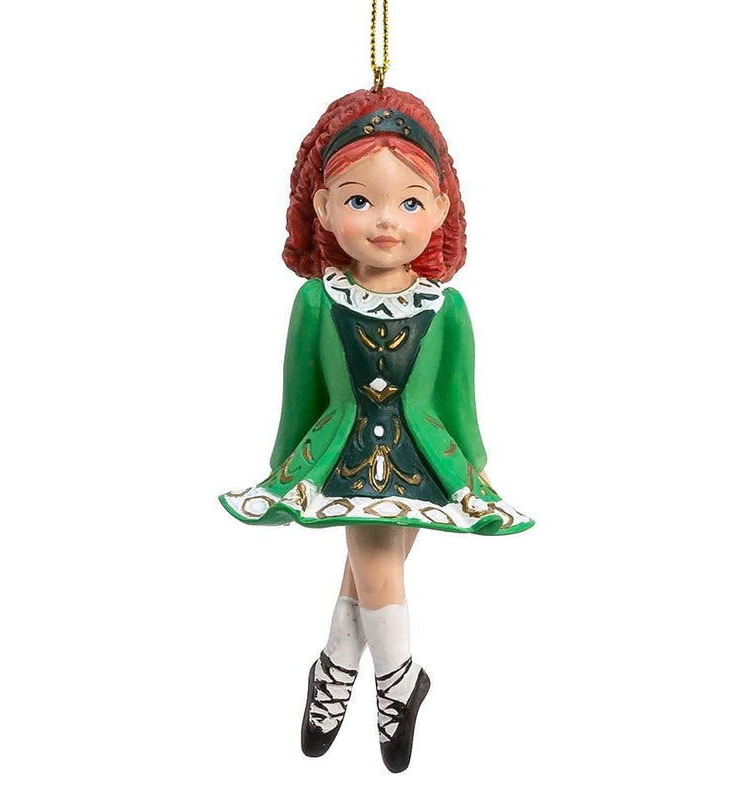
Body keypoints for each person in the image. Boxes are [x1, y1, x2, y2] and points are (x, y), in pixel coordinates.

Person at [219, 87, 533, 772]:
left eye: (410, 203)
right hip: (342, 452)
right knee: (378, 558)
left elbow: (458, 397)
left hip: (428, 456)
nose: (387, 220)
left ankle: (336, 664)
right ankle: (398, 677)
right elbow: (299, 394)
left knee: (369, 568)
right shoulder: (316, 299)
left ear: (441, 209)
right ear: (323, 206)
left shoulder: (445, 306)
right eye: (360, 200)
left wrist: (473, 469)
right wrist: (284, 467)